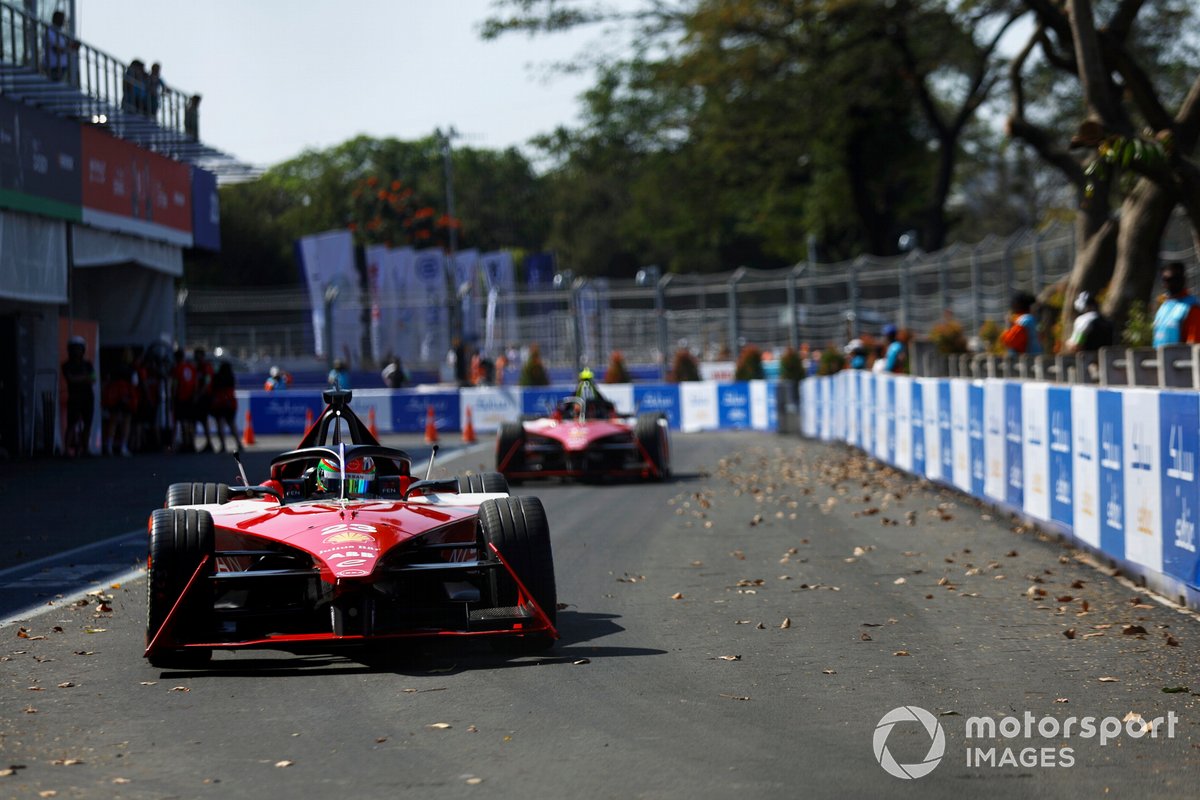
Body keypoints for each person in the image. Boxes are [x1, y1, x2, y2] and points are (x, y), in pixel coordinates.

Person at [61, 335, 95, 457]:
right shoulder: (66, 365)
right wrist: (85, 378)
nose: (77, 351)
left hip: (88, 397)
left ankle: (85, 449)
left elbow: (93, 379)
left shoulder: (88, 364)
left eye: (79, 348)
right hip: (74, 397)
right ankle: (66, 450)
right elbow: (71, 379)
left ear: (83, 349)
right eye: (74, 348)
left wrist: (80, 378)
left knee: (87, 423)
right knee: (72, 423)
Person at [1152, 261, 1200, 346]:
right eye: (1166, 279)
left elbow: (1194, 344)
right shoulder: (1163, 307)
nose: (1170, 283)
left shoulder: (1191, 307)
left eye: (1174, 279)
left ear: (1183, 280)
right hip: (1160, 358)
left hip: (1181, 358)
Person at [170, 348, 197, 453]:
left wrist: (172, 398)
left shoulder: (177, 368)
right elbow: (195, 383)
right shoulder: (191, 367)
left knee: (183, 422)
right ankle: (191, 442)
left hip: (181, 398)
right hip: (191, 397)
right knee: (190, 422)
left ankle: (186, 442)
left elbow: (175, 384)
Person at [209, 361, 239, 452]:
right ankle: (239, 443)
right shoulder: (231, 377)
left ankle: (223, 445)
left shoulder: (217, 377)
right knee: (232, 424)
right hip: (230, 403)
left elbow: (213, 389)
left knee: (220, 425)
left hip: (221, 403)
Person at [42, 10, 78, 83]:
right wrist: (70, 48)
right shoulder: (49, 32)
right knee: (54, 85)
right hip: (53, 66)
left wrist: (72, 46)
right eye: (61, 19)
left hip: (63, 66)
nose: (63, 21)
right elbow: (57, 49)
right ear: (55, 19)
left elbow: (66, 45)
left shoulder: (61, 32)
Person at [193, 347, 216, 452]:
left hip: (205, 397)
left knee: (204, 419)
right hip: (201, 396)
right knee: (201, 420)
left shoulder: (206, 367)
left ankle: (209, 442)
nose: (196, 358)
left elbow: (207, 381)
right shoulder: (197, 367)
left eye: (198, 355)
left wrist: (200, 393)